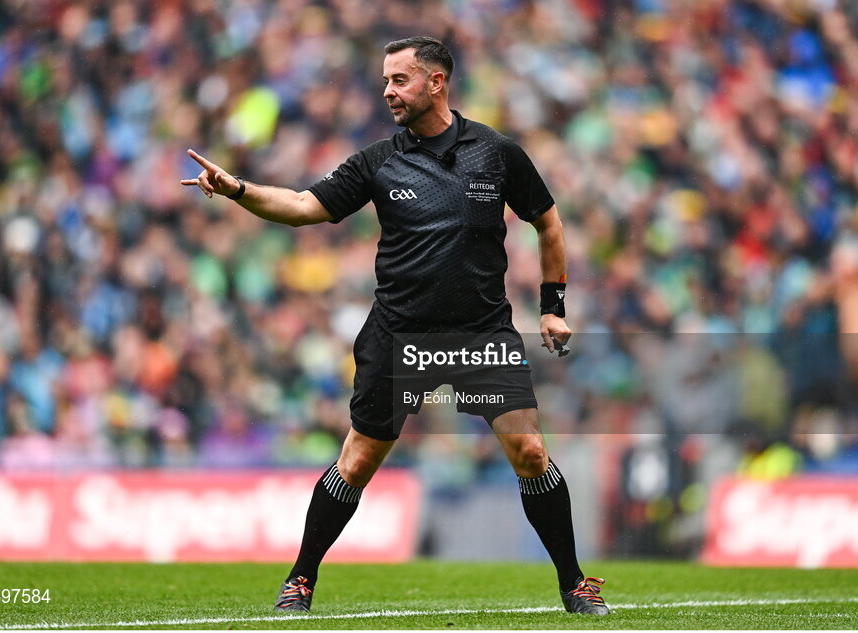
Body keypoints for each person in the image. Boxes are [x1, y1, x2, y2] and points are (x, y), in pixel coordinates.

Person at [181, 36, 609, 616]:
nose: (387, 91)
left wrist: (552, 306)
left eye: (399, 80)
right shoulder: (378, 162)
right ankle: (300, 581)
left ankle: (574, 584)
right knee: (357, 461)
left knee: (531, 452)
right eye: (385, 81)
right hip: (398, 334)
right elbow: (305, 206)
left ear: (436, 82)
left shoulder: (497, 152)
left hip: (481, 333)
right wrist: (238, 189)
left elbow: (549, 225)